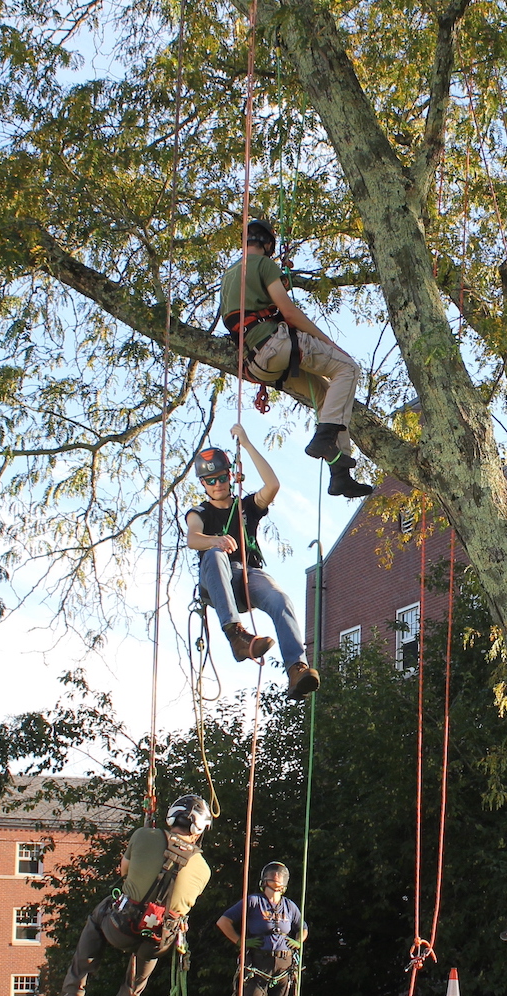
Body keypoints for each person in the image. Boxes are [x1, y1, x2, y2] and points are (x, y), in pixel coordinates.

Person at [219, 218, 373, 499]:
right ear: (267, 245)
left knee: (327, 397)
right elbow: (288, 313)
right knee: (347, 368)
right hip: (276, 345)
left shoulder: (228, 277)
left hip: (258, 364)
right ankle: (325, 439)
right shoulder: (264, 265)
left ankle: (340, 474)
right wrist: (329, 343)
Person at [53, 795, 215, 996]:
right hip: (157, 940)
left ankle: (72, 991)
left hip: (120, 926)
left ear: (171, 818)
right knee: (149, 952)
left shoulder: (143, 836)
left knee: (100, 912)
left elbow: (124, 871)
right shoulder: (204, 869)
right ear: (199, 829)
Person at [186, 429, 321, 698]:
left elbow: (272, 485)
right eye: (210, 480)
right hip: (218, 579)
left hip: (249, 576)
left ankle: (297, 668)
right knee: (214, 555)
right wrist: (216, 541)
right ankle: (236, 635)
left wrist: (247, 444)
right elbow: (193, 538)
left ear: (231, 475)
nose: (218, 484)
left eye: (222, 477)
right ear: (203, 484)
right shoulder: (199, 512)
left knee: (280, 599)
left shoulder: (246, 507)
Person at [218, 860, 308, 996]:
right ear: (264, 881)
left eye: (280, 878)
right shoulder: (253, 902)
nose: (276, 882)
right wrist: (241, 942)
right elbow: (223, 922)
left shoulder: (290, 906)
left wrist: (298, 941)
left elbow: (302, 927)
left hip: (284, 964)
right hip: (258, 963)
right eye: (272, 878)